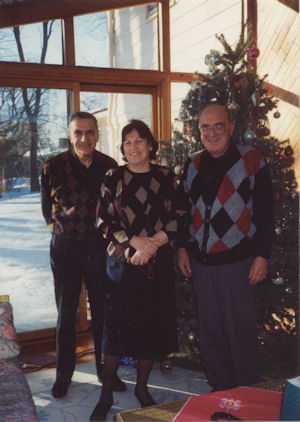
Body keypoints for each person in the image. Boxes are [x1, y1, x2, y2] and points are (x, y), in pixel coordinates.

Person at [177, 104, 274, 392]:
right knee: (210, 334)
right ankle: (221, 392)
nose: (212, 132)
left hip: (238, 263)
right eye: (205, 127)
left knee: (240, 332)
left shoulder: (252, 160)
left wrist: (262, 255)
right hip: (202, 264)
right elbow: (183, 212)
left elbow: (267, 212)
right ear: (198, 131)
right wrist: (182, 249)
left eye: (218, 125)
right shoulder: (192, 164)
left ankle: (247, 393)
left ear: (231, 127)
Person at [90, 119, 178, 421]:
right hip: (121, 263)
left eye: (139, 140)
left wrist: (151, 245)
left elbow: (178, 217)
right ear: (123, 148)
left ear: (151, 145)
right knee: (115, 330)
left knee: (149, 328)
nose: (134, 146)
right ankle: (105, 393)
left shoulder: (166, 176)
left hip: (156, 265)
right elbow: (103, 221)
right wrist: (134, 243)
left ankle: (142, 388)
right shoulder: (112, 176)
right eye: (128, 141)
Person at [41, 111, 125, 398]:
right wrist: (62, 231)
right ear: (70, 135)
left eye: (90, 132)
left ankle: (106, 372)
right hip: (65, 248)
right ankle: (64, 374)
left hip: (99, 248)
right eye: (78, 132)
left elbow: (116, 209)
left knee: (103, 311)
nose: (84, 138)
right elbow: (46, 209)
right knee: (66, 313)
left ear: (97, 134)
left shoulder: (110, 166)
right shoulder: (53, 166)